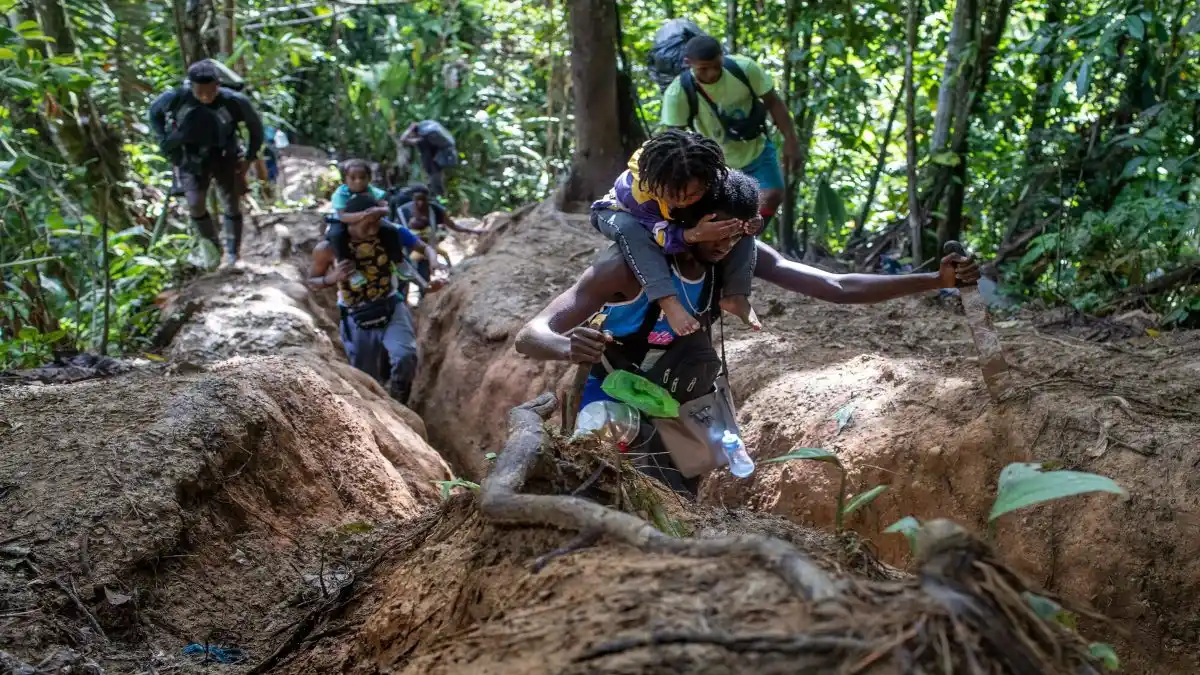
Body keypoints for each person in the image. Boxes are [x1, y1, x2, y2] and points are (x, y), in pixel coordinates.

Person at [515, 171, 980, 495]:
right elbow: (530, 334)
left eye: (737, 235)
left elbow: (835, 286)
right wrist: (566, 345)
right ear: (684, 222)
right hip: (613, 393)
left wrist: (934, 281)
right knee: (600, 488)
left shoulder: (736, 255)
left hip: (685, 399)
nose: (726, 244)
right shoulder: (623, 267)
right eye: (717, 231)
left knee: (677, 504)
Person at [591, 130, 761, 339]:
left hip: (668, 216)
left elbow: (739, 201)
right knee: (632, 233)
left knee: (737, 221)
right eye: (672, 195)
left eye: (692, 195)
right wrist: (693, 234)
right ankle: (668, 301)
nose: (682, 202)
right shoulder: (638, 195)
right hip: (619, 214)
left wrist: (752, 222)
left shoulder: (707, 172)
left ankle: (737, 295)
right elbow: (659, 236)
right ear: (655, 185)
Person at [309, 193, 440, 403]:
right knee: (364, 376)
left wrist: (432, 267)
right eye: (368, 224)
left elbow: (422, 248)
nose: (373, 229)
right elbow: (312, 282)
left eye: (377, 222)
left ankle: (399, 402)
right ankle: (376, 409)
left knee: (406, 355)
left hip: (390, 303)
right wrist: (332, 278)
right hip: (356, 313)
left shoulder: (389, 234)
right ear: (353, 221)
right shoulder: (328, 249)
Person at [660, 35, 801, 230]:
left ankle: (746, 241)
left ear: (722, 57)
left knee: (773, 194)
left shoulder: (744, 69)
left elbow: (773, 102)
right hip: (717, 161)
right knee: (720, 211)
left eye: (716, 65)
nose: (711, 74)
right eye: (703, 69)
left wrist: (791, 140)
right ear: (688, 64)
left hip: (756, 149)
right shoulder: (679, 92)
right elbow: (674, 138)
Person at [149, 59, 264, 266]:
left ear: (218, 85)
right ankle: (213, 250)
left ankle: (233, 254)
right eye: (199, 92)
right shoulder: (176, 98)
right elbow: (153, 113)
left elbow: (256, 129)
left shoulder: (234, 102)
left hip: (225, 157)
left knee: (231, 202)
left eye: (210, 92)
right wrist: (164, 139)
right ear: (190, 86)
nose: (205, 97)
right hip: (189, 158)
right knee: (194, 203)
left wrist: (249, 158)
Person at [393, 184, 485, 298]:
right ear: (412, 198)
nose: (420, 203)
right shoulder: (402, 212)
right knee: (403, 281)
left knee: (424, 278)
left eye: (423, 200)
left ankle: (422, 305)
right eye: (417, 200)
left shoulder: (435, 210)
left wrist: (473, 231)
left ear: (428, 198)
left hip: (426, 251)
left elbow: (453, 225)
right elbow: (393, 231)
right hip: (405, 253)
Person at [400, 120, 458, 197]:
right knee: (436, 185)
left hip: (434, 168)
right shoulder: (428, 140)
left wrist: (410, 128)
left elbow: (403, 139)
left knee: (436, 187)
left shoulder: (422, 140)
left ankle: (440, 201)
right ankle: (441, 200)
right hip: (437, 165)